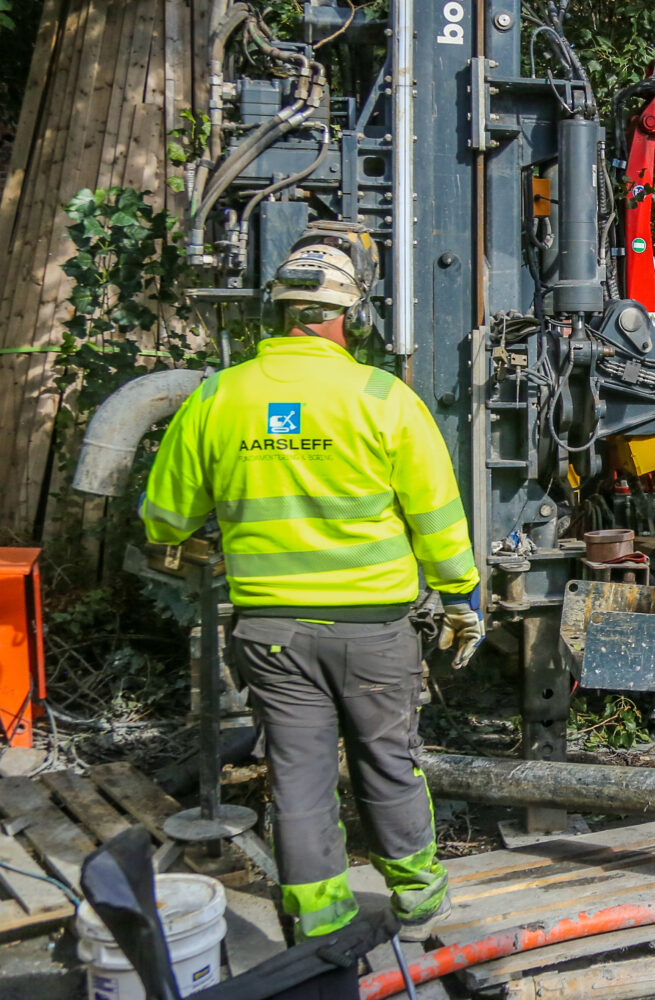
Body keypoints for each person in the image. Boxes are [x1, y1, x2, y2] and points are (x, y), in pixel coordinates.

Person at [140, 231, 486, 942]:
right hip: (376, 632)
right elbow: (438, 516)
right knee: (388, 761)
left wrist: (183, 542)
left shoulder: (218, 397)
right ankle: (419, 902)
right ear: (348, 314)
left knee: (297, 773)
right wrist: (460, 597)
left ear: (278, 309)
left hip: (271, 633)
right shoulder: (383, 398)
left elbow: (164, 518)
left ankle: (320, 923)